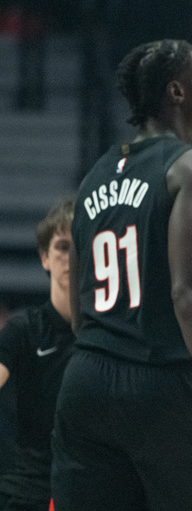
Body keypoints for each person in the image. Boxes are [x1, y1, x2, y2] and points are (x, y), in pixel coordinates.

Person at [50, 39, 192, 510]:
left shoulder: (94, 175)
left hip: (86, 380)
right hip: (164, 382)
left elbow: (79, 311)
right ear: (177, 92)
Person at [0, 198, 75, 511]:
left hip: (90, 489)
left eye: (80, 245)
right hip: (29, 491)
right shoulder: (24, 329)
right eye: (62, 247)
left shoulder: (112, 333)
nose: (71, 257)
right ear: (45, 258)